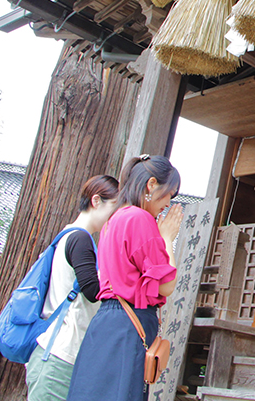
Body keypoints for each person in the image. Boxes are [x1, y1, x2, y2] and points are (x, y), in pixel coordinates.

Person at [66, 155, 183, 401]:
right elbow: (167, 285)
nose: (168, 203)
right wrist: (167, 239)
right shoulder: (140, 219)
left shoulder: (115, 219)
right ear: (151, 184)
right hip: (128, 325)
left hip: (109, 322)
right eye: (169, 194)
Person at [25, 175, 120, 401]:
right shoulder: (80, 239)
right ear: (96, 201)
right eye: (114, 206)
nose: (115, 215)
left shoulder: (68, 235)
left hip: (55, 352)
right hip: (60, 354)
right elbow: (92, 292)